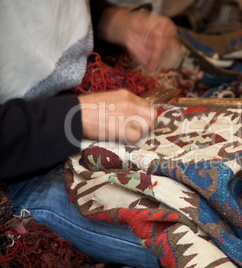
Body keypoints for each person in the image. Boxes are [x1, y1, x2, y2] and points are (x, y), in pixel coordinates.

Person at [0, 0, 180, 266]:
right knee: (205, 239)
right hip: (17, 171)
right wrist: (73, 117)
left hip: (61, 114)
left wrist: (113, 21)